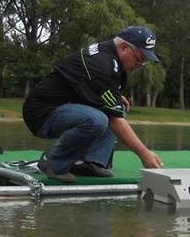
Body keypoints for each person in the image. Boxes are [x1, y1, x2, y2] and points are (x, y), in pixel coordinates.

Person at [22, 26, 165, 183]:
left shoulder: (110, 56)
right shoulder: (101, 64)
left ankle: (88, 163)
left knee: (117, 107)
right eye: (139, 59)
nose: (140, 66)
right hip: (41, 113)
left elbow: (89, 85)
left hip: (64, 106)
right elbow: (114, 119)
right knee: (99, 119)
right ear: (124, 47)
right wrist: (144, 154)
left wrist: (115, 96)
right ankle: (53, 162)